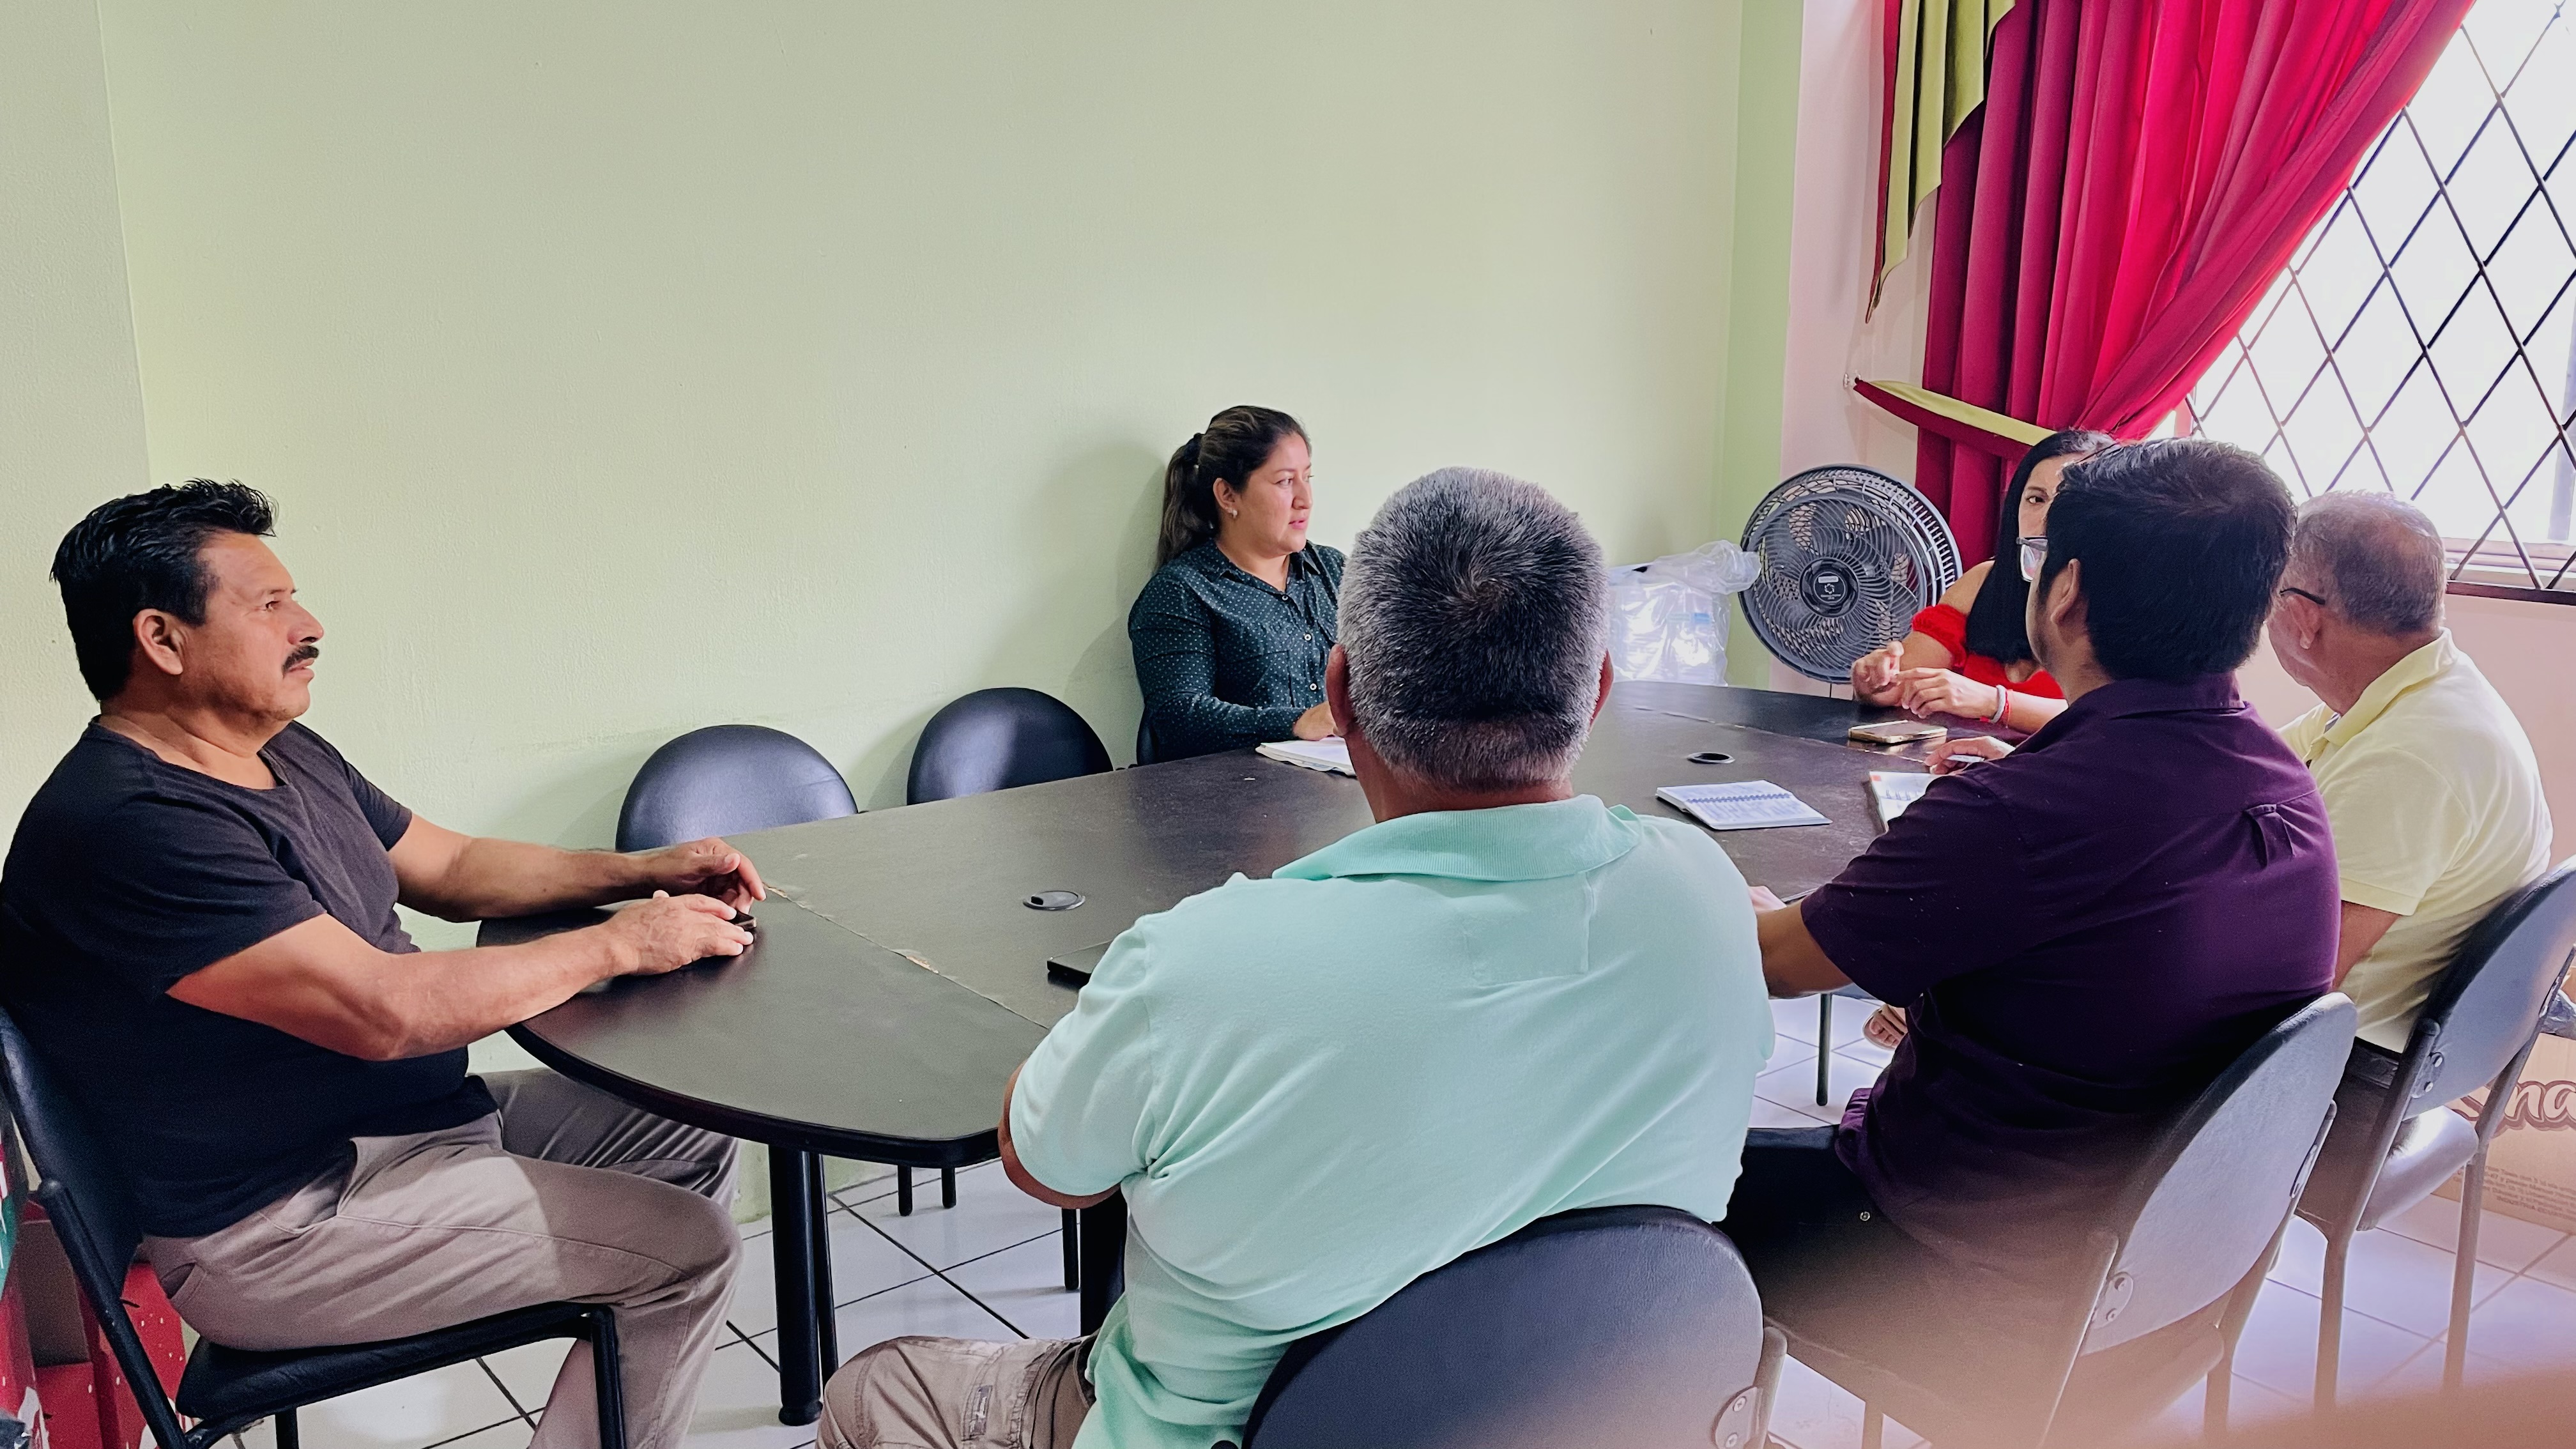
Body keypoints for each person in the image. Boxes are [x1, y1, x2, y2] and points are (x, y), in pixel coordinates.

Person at [820, 470, 1775, 1449]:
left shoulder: (1198, 967)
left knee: (872, 1390)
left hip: (1229, 1431)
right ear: (1599, 688)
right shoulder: (1704, 896)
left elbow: (1044, 1164)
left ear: (1340, 692)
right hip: (1599, 1418)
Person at [0, 482, 759, 1449]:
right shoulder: (131, 825)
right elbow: (384, 1013)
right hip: (283, 1223)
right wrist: (625, 942)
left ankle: (618, 1360)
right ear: (163, 639)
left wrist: (644, 870)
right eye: (269, 605)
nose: (308, 625)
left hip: (406, 1132)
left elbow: (454, 866)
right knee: (688, 1250)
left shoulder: (282, 749)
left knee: (689, 1125)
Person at [1738, 440, 2339, 1399]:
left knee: (1644, 1197)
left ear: (2066, 593)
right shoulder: (2284, 783)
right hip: (2167, 1280)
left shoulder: (2017, 817)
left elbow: (1777, 963)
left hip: (1960, 1280)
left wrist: (1720, 894)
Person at [2267, 494, 2552, 1049]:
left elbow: (2294, 983)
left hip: (2349, 1060)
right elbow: (2257, 768)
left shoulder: (2408, 758)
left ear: (2302, 617)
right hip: (2372, 1033)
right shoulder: (2420, 685)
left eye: (2267, 595)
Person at [1849, 429, 2113, 734]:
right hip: (1962, 759)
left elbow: (2109, 718)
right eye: (2036, 499)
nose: (2046, 518)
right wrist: (1875, 681)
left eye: (2068, 500)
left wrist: (1994, 703)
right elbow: (1903, 683)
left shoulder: (2126, 595)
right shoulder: (1983, 581)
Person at [1129, 405, 1341, 760]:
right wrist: (1297, 723)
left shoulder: (1334, 570)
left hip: (1345, 779)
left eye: (1308, 478)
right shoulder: (1182, 591)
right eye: (1285, 482)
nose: (1305, 500)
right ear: (1228, 495)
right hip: (1238, 789)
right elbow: (1179, 718)